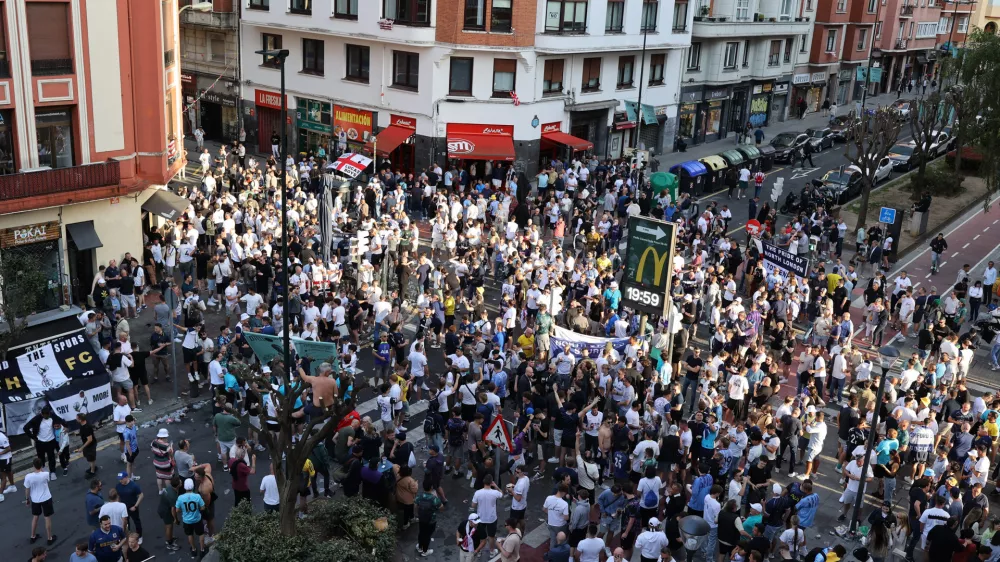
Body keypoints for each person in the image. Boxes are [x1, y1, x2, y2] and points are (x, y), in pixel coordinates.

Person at [25, 456, 56, 545]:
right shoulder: (45, 474)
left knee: (35, 517)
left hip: (35, 499)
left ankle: (33, 536)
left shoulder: (28, 476)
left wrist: (27, 499)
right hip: (46, 498)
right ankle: (49, 538)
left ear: (33, 466)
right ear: (41, 465)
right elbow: (47, 481)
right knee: (47, 518)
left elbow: (27, 489)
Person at [174, 478, 207, 559]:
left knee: (190, 534)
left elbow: (177, 510)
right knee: (201, 534)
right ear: (193, 486)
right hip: (197, 519)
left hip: (186, 520)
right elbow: (203, 507)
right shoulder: (197, 496)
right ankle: (202, 550)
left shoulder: (180, 498)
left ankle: (193, 549)